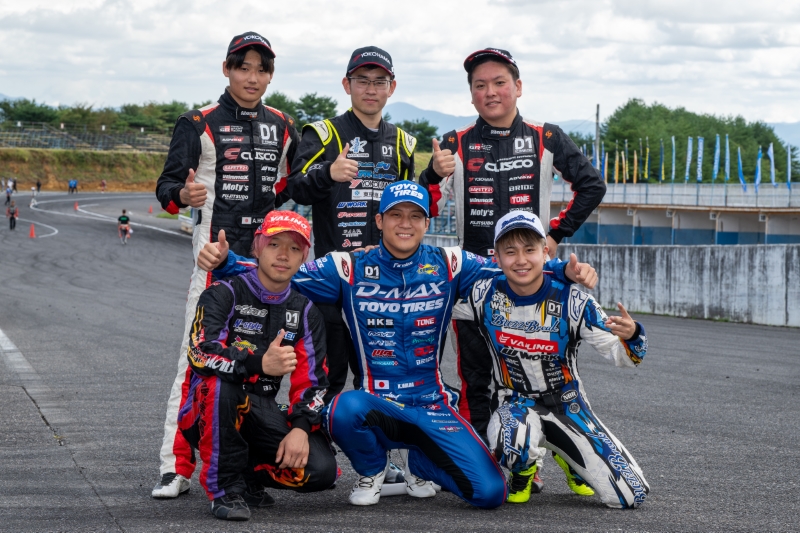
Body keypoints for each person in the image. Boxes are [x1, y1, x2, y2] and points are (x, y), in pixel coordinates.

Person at [203, 182, 597, 508]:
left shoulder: (451, 263)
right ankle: (373, 469)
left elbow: (511, 267)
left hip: (431, 403)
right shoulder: (347, 266)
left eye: (414, 216)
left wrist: (562, 271)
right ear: (379, 221)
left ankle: (419, 462)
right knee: (342, 407)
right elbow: (281, 269)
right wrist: (226, 263)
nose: (405, 224)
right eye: (395, 215)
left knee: (490, 493)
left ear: (427, 222)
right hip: (375, 402)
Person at [418, 47, 607, 493]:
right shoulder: (453, 143)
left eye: (499, 82)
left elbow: (592, 184)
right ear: (471, 94)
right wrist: (431, 175)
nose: (491, 92)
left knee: (544, 378)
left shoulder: (546, 136)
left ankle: (550, 455)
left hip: (533, 280)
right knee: (475, 379)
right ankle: (485, 467)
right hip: (476, 283)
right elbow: (418, 209)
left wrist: (554, 237)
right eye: (480, 85)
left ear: (518, 87)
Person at [151, 30, 300, 499]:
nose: (252, 77)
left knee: (269, 368)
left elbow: (291, 186)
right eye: (243, 67)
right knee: (194, 364)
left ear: (270, 76)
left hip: (269, 270)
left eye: (261, 69)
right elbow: (166, 190)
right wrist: (183, 194)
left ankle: (252, 467)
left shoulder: (284, 125)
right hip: (215, 264)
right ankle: (175, 467)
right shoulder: (197, 122)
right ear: (227, 69)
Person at [453, 210, 649, 508]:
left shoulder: (575, 300)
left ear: (545, 252)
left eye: (529, 250)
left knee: (631, 495)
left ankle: (569, 457)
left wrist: (633, 335)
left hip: (568, 405)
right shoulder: (482, 294)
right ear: (497, 257)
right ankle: (523, 471)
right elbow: (431, 299)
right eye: (510, 251)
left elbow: (625, 357)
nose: (521, 260)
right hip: (514, 402)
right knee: (509, 441)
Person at [178, 210, 337, 521]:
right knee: (221, 386)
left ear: (303, 257)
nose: (283, 255)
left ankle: (247, 475)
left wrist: (301, 428)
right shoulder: (222, 293)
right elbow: (200, 355)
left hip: (260, 407)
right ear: (258, 247)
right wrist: (258, 363)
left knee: (321, 470)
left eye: (294, 248)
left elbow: (314, 383)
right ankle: (224, 488)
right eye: (274, 244)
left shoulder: (305, 311)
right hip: (204, 409)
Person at [285, 46, 417, 407]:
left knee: (380, 379)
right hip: (334, 277)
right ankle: (313, 440)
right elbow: (294, 187)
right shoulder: (323, 134)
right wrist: (328, 173)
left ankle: (377, 444)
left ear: (391, 87)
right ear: (347, 85)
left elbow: (410, 209)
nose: (371, 89)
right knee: (326, 377)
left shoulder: (403, 143)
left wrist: (433, 175)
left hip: (384, 279)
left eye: (379, 81)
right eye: (362, 80)